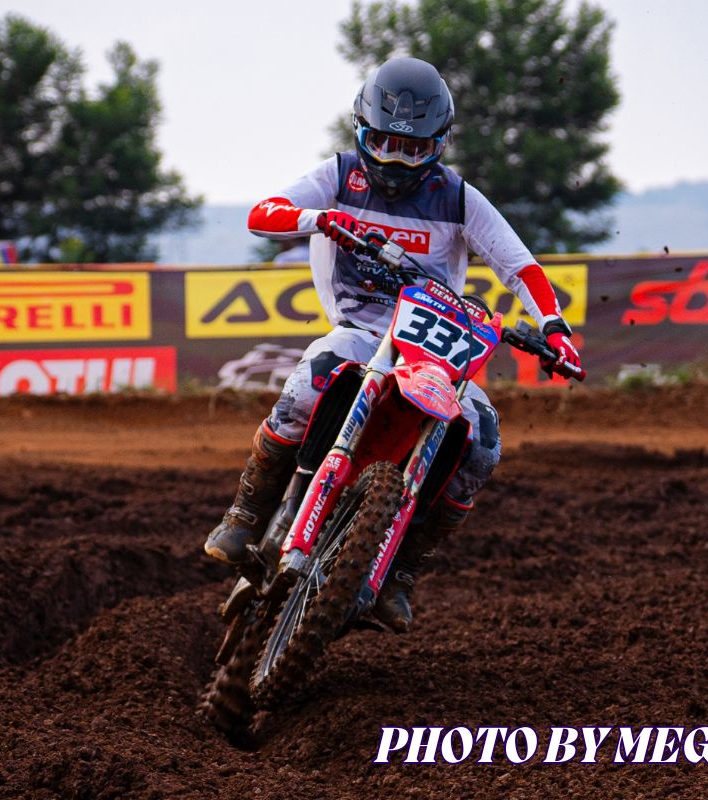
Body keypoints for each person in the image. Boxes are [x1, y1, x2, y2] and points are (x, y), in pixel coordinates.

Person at [203, 56, 581, 632]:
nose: (393, 159)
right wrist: (319, 219)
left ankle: (402, 569)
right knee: (307, 385)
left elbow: (518, 265)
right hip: (360, 331)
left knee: (483, 444)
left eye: (412, 148)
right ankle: (246, 513)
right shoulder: (339, 174)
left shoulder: (458, 199)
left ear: (439, 143)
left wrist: (554, 327)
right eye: (382, 142)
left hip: (434, 349)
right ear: (361, 129)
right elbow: (262, 215)